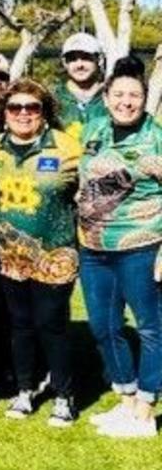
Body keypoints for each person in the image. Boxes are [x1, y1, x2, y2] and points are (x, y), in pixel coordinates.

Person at [75, 56, 162, 438]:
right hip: (93, 248)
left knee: (150, 328)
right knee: (103, 326)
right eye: (119, 94)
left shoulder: (156, 136)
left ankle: (145, 410)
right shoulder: (93, 130)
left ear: (145, 99)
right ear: (106, 97)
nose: (126, 101)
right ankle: (125, 401)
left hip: (141, 245)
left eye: (135, 95)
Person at [0, 81, 80, 427]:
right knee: (20, 324)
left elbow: (86, 193)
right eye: (15, 107)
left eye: (32, 107)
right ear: (4, 114)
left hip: (55, 252)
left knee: (51, 323)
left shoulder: (67, 146)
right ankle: (25, 388)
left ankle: (64, 395)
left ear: (45, 113)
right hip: (9, 255)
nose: (23, 113)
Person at [53, 33, 107, 140]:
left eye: (86, 58)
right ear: (64, 63)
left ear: (100, 60)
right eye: (72, 59)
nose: (79, 65)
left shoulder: (113, 98)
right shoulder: (52, 99)